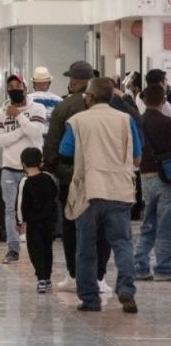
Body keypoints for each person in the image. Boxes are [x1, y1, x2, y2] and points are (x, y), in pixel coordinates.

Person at [58, 77, 141, 314]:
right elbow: (136, 156)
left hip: (89, 191)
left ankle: (90, 299)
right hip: (120, 190)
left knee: (86, 247)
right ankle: (126, 290)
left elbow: (65, 152)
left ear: (91, 97)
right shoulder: (126, 120)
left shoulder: (77, 121)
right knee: (123, 244)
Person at [44, 60, 113, 293]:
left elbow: (52, 150)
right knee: (102, 228)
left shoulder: (64, 108)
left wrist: (65, 174)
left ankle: (74, 275)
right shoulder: (114, 108)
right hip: (104, 178)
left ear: (73, 82)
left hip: (72, 180)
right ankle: (100, 277)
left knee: (72, 227)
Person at [0, 74, 47, 265]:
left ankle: (36, 245)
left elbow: (36, 132)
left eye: (18, 85)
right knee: (10, 209)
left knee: (35, 209)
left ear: (24, 87)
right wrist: (20, 130)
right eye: (11, 86)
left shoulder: (37, 108)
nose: (15, 88)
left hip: (32, 168)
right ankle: (12, 249)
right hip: (9, 166)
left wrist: (19, 116)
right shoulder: (1, 112)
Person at [134, 85, 171, 281]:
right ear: (163, 100)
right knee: (166, 225)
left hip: (145, 177)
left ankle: (140, 266)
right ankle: (164, 268)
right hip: (166, 178)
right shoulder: (168, 123)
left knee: (148, 223)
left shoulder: (137, 122)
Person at [15, 147, 59, 294]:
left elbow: (20, 203)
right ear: (41, 162)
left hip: (33, 224)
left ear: (23, 164)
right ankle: (47, 277)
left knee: (35, 251)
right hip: (49, 221)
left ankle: (40, 278)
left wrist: (20, 222)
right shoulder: (48, 177)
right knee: (47, 249)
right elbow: (54, 196)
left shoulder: (25, 182)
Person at [29, 67, 62, 133]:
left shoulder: (27, 100)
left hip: (32, 138)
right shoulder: (59, 100)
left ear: (34, 83)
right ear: (49, 83)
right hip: (51, 138)